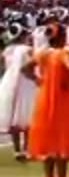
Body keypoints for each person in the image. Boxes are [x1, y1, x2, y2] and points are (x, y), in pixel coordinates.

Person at [28, 22, 69, 177]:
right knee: (62, 135)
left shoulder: (43, 54)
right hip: (62, 97)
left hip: (45, 95)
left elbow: (25, 68)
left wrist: (39, 79)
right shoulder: (63, 53)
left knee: (47, 135)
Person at [0, 24, 37, 162]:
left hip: (9, 81)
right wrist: (36, 78)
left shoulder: (7, 50)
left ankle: (17, 150)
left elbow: (3, 66)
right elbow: (28, 67)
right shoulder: (27, 49)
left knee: (14, 116)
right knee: (27, 115)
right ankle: (26, 148)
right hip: (25, 83)